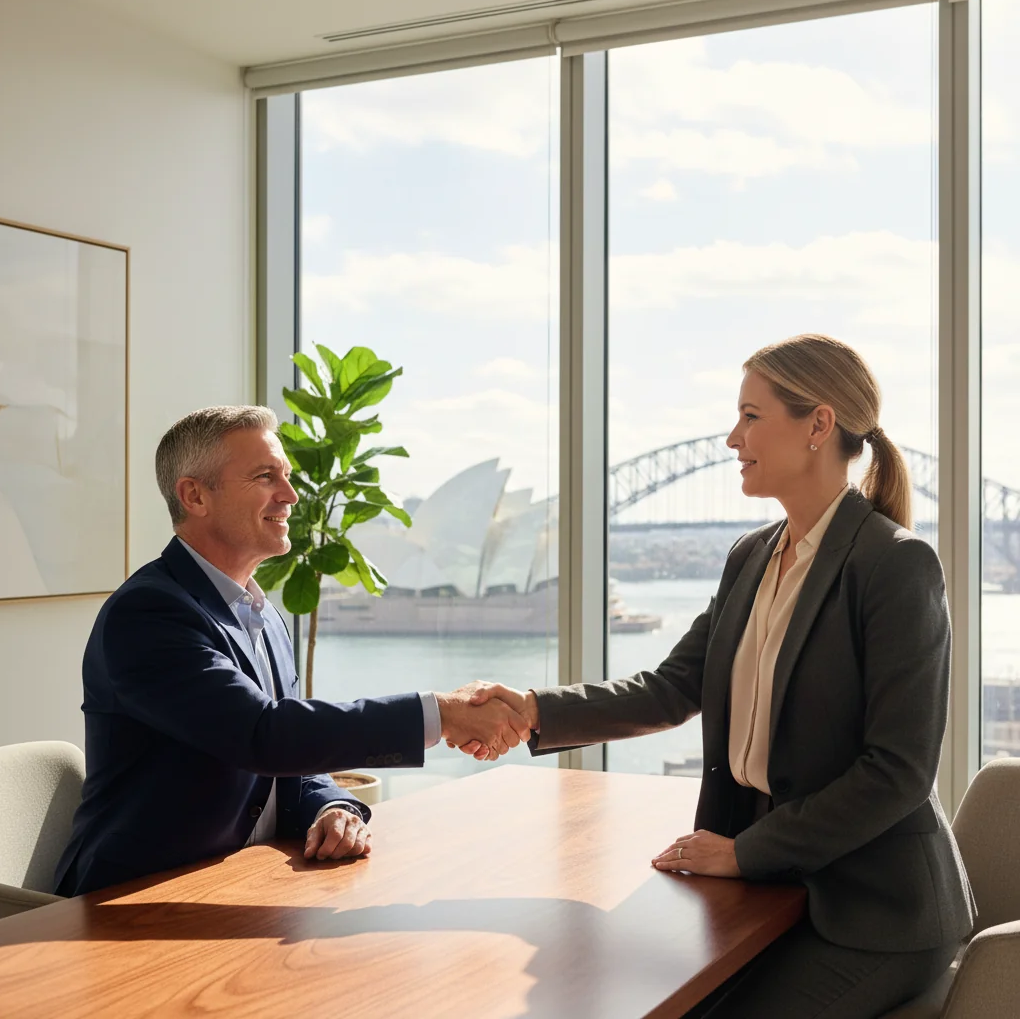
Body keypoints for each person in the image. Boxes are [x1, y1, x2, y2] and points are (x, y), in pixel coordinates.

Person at [452, 335, 976, 1018]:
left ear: (819, 425)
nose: (733, 438)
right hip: (777, 885)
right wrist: (532, 708)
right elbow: (674, 687)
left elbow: (898, 773)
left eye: (752, 416)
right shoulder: (752, 557)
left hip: (876, 911)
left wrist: (747, 853)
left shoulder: (895, 565)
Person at [55, 406, 528, 897]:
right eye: (265, 477)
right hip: (134, 901)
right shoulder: (148, 614)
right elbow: (265, 734)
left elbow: (294, 760)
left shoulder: (262, 613)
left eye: (287, 475)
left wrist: (332, 807)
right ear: (195, 495)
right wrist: (442, 715)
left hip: (245, 887)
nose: (291, 495)